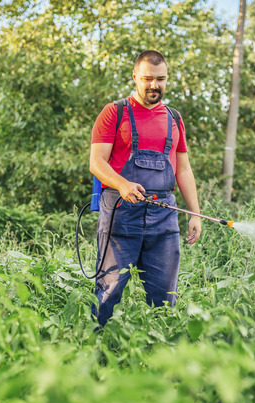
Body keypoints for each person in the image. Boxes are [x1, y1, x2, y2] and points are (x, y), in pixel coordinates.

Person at [89, 50, 202, 327]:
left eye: (160, 79)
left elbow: (184, 169)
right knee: (108, 292)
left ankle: (158, 356)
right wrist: (122, 184)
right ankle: (94, 349)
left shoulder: (174, 118)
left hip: (163, 220)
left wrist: (195, 214)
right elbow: (96, 162)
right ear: (135, 77)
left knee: (165, 298)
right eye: (148, 79)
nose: (155, 85)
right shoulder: (114, 112)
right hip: (120, 216)